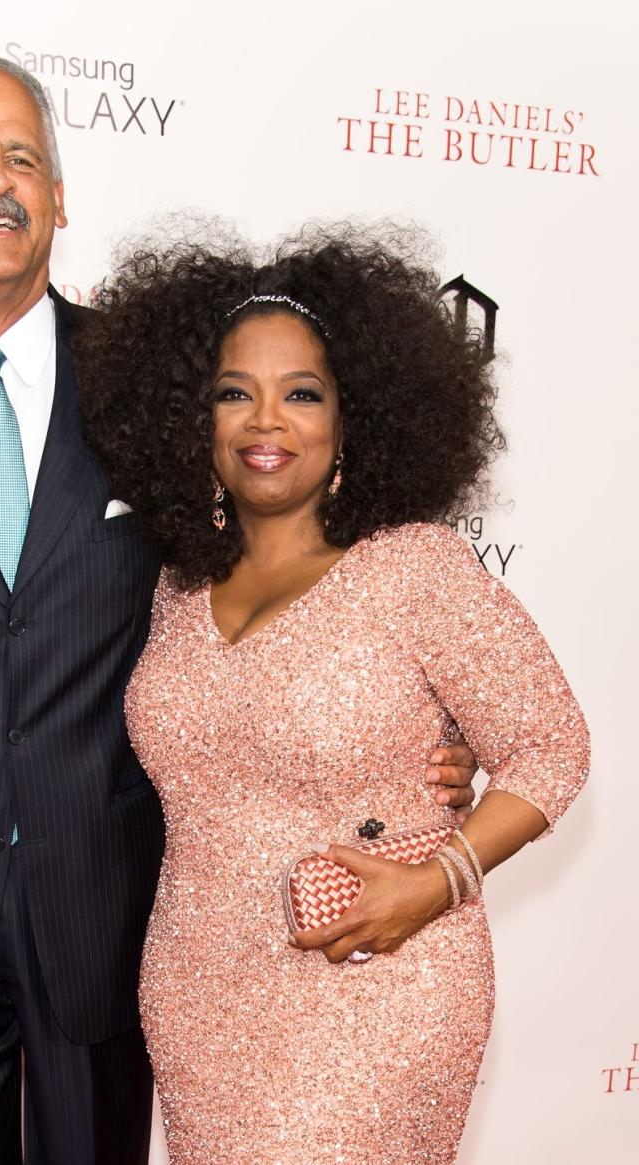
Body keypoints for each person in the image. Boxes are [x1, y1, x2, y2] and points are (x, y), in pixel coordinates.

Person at [0, 58, 478, 1165]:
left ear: (58, 194)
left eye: (22, 160)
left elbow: (303, 558)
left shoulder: (159, 386)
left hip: (118, 898)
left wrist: (430, 723)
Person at [76, 226, 589, 1164]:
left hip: (377, 986)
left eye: (302, 394)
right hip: (199, 998)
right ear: (197, 420)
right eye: (235, 393)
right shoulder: (178, 586)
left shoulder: (414, 568)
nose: (265, 420)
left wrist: (438, 881)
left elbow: (554, 745)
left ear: (354, 420)